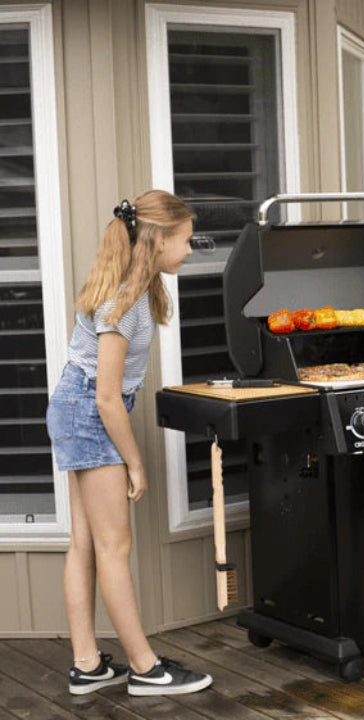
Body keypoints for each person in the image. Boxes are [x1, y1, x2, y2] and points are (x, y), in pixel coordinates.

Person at [47, 190, 213, 696]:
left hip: (76, 409)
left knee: (87, 544)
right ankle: (145, 669)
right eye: (185, 241)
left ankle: (88, 664)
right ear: (159, 240)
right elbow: (105, 398)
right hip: (88, 412)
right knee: (115, 548)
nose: (190, 250)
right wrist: (135, 464)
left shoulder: (136, 291)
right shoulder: (125, 302)